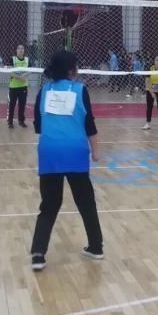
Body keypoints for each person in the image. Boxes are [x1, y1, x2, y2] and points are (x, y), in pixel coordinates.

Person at [30, 50, 103, 271]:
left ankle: (38, 254)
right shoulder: (81, 90)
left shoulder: (44, 90)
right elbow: (89, 124)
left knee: (49, 205)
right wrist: (96, 151)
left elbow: (38, 125)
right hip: (75, 151)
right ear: (71, 70)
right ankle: (96, 247)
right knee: (86, 201)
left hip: (50, 151)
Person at [8, 44, 30, 128]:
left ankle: (21, 121)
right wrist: (19, 77)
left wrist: (23, 76)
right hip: (13, 86)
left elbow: (30, 71)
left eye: (22, 48)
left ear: (24, 50)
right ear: (16, 50)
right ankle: (10, 122)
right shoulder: (12, 59)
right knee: (12, 105)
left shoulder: (27, 60)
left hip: (23, 86)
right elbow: (10, 72)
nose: (21, 50)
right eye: (19, 48)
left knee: (22, 105)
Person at [143, 54, 158, 131]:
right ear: (154, 61)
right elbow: (147, 82)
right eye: (156, 60)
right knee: (149, 107)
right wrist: (152, 93)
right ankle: (147, 123)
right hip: (150, 91)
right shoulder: (150, 69)